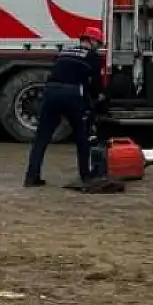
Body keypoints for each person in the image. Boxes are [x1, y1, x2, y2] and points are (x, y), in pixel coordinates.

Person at [24, 26, 107, 187]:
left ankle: (31, 177)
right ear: (90, 41)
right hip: (71, 94)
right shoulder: (92, 57)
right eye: (98, 43)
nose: (98, 46)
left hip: (50, 92)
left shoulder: (64, 52)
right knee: (81, 137)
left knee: (41, 138)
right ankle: (86, 176)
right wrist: (99, 97)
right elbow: (94, 84)